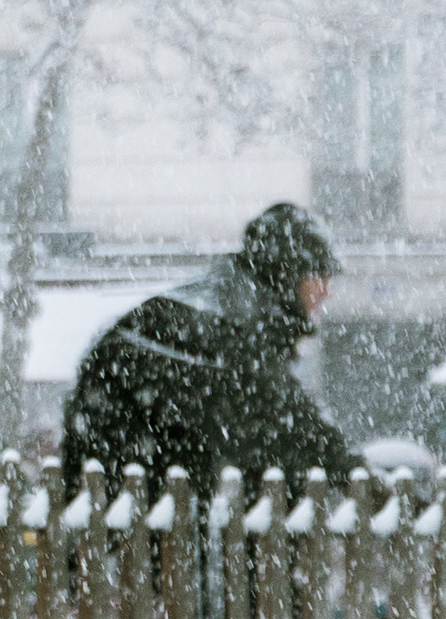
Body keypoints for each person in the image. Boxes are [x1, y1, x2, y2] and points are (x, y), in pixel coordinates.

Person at [59, 200, 359, 483]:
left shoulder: (228, 303)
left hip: (127, 484)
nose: (326, 291)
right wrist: (347, 473)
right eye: (319, 276)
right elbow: (286, 422)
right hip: (143, 490)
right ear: (289, 273)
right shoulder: (237, 322)